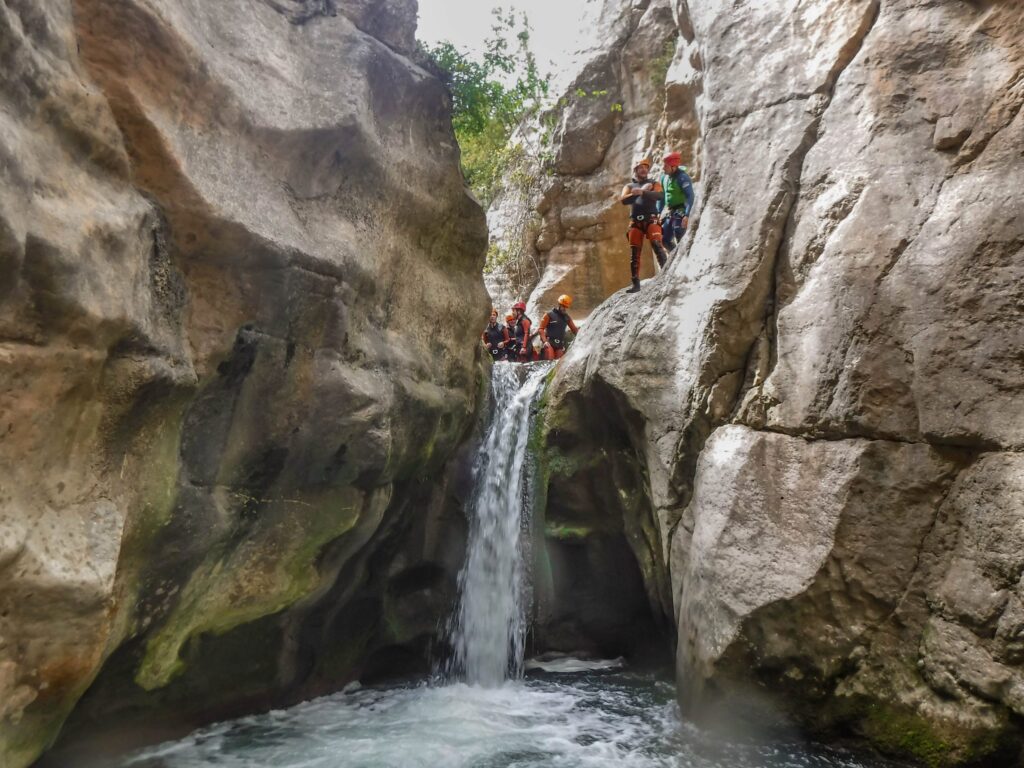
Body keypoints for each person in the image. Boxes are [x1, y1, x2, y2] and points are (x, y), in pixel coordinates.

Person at [619, 156, 669, 293]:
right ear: (635, 170)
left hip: (651, 219)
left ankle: (666, 276)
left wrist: (643, 192)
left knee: (657, 245)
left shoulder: (654, 183)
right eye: (641, 168)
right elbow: (623, 200)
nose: (644, 170)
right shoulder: (629, 186)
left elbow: (659, 196)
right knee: (635, 253)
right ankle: (636, 284)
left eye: (646, 168)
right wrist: (636, 194)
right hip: (635, 222)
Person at [659, 152, 695, 251]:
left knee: (679, 232)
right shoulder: (664, 177)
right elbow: (662, 196)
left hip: (681, 209)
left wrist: (687, 215)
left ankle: (683, 254)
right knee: (664, 239)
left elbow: (690, 196)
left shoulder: (682, 177)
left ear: (673, 167)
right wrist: (658, 212)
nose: (663, 168)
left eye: (665, 166)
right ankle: (675, 260)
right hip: (670, 211)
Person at [539, 295, 579, 360]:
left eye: (566, 307)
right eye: (563, 306)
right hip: (549, 343)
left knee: (558, 365)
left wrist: (584, 336)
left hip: (560, 345)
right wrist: (545, 341)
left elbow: (574, 330)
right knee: (549, 362)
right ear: (559, 304)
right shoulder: (549, 314)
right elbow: (541, 329)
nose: (564, 308)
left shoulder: (567, 318)